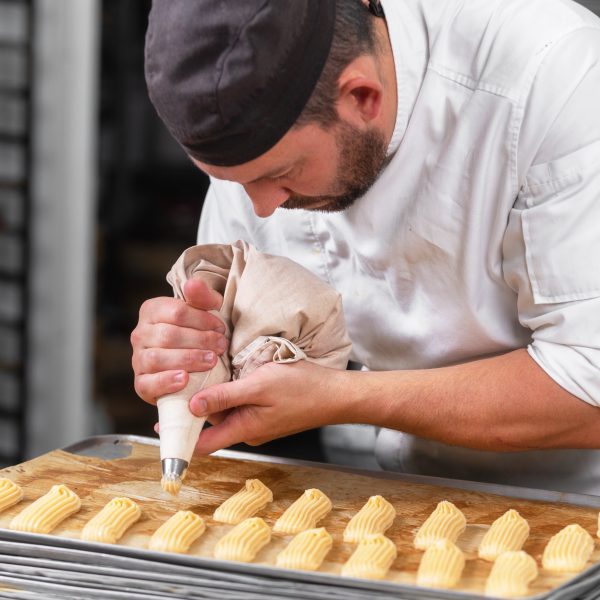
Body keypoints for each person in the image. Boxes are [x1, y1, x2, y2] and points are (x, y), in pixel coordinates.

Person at [133, 0, 600, 494]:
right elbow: (236, 330)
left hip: (571, 500)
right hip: (366, 484)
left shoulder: (557, 74)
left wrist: (343, 397)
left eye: (281, 175)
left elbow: (590, 384)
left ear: (362, 96)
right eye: (232, 181)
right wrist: (189, 354)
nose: (262, 208)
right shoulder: (262, 126)